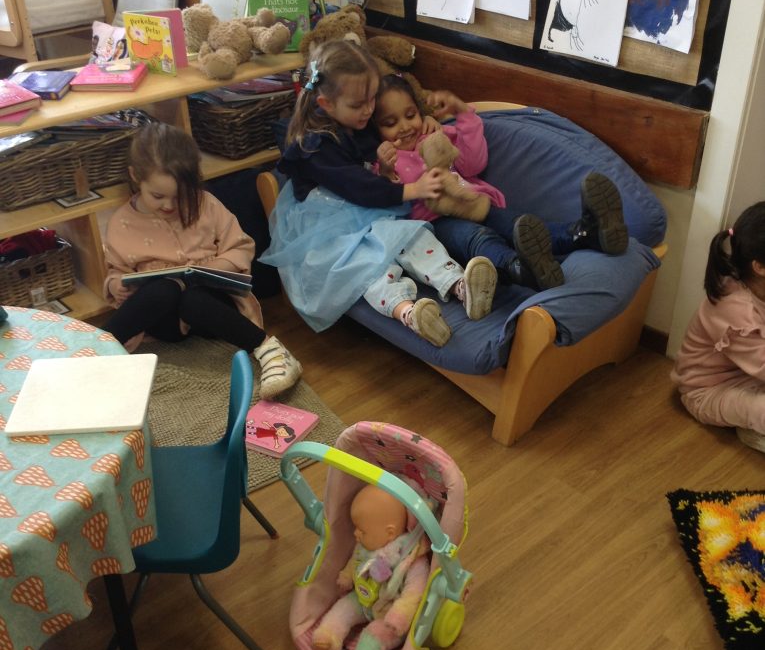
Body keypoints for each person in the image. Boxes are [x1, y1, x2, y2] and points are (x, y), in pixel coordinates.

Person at [262, 40, 497, 347]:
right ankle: (409, 312)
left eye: (371, 99)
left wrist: (425, 122)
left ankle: (460, 286)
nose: (369, 110)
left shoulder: (355, 119)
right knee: (366, 267)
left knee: (413, 236)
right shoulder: (314, 146)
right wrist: (413, 189)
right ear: (327, 105)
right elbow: (359, 186)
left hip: (367, 209)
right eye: (359, 105)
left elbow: (388, 145)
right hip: (329, 227)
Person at [102, 122, 302, 399]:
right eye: (157, 196)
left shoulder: (206, 204)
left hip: (212, 308)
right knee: (165, 290)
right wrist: (116, 286)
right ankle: (95, 350)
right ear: (136, 177)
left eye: (180, 196)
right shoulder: (121, 222)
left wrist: (214, 268)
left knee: (192, 298)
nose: (169, 205)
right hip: (163, 320)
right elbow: (116, 271)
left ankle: (270, 350)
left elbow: (240, 246)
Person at [373, 76, 630, 290]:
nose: (405, 127)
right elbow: (390, 209)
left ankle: (585, 233)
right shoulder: (385, 162)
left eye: (411, 115)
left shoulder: (437, 136)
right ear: (376, 130)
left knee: (520, 225)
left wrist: (462, 115)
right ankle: (518, 268)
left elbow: (473, 165)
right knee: (477, 237)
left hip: (477, 203)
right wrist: (385, 171)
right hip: (438, 224)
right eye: (390, 123)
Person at [311, 483, 430, 650]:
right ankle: (329, 636)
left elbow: (414, 593)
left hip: (389, 615)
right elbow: (355, 561)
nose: (356, 533)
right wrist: (347, 576)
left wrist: (400, 616)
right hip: (364, 598)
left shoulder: (411, 559)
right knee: (344, 607)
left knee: (373, 636)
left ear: (389, 532)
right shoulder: (366, 546)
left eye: (362, 530)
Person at [671, 202, 765, 454]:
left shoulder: (757, 284)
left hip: (751, 372)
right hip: (712, 390)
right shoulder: (736, 310)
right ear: (760, 267)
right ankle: (752, 428)